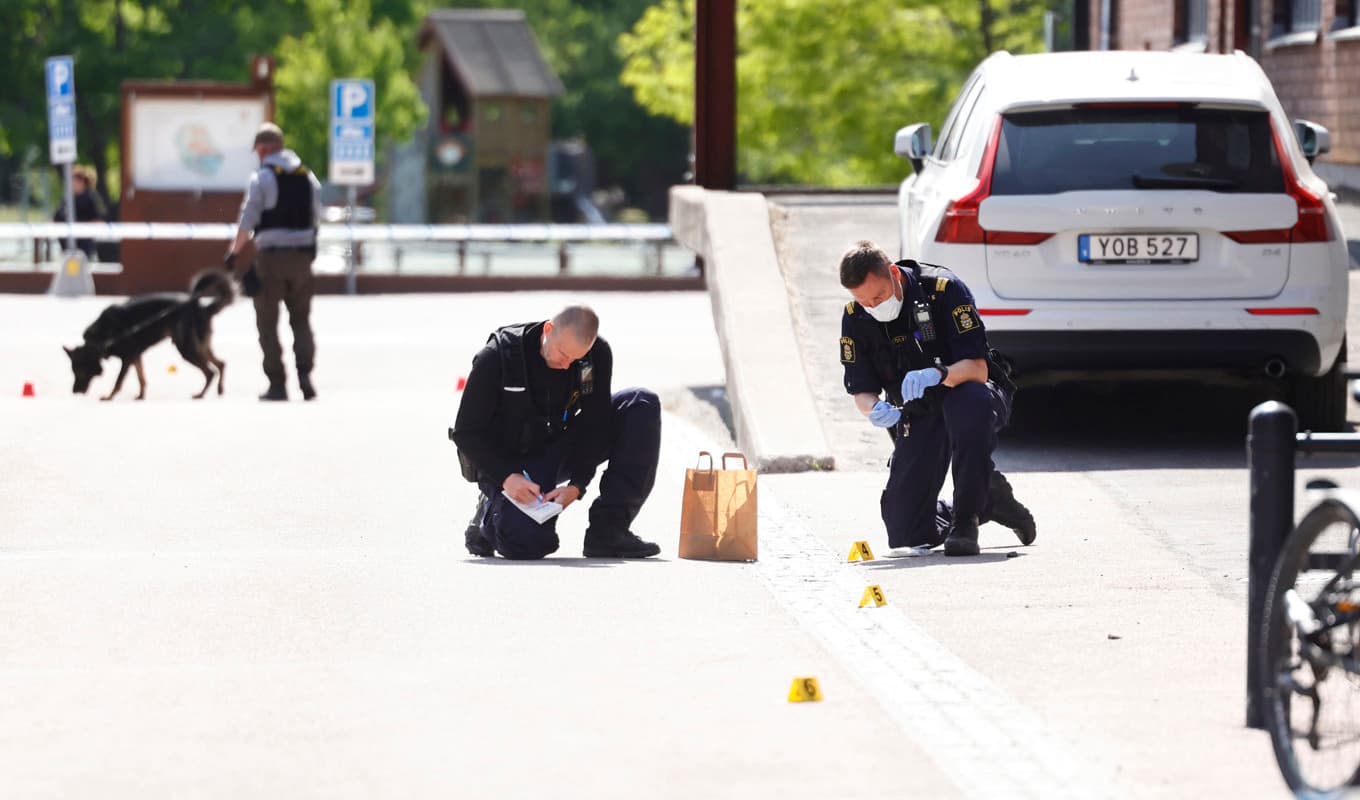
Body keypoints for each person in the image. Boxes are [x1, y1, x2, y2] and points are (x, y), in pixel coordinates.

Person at [838, 240, 1037, 557]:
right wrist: (873, 408)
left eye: (879, 296)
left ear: (893, 273)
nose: (874, 306)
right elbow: (861, 389)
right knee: (906, 531)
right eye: (865, 302)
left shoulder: (942, 290)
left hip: (969, 392)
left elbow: (978, 369)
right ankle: (989, 499)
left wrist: (938, 374)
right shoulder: (856, 317)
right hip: (919, 410)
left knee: (968, 403)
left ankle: (966, 522)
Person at [451, 305, 663, 560]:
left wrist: (577, 485)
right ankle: (488, 513)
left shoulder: (594, 355)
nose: (566, 365)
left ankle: (609, 531)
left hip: (559, 445)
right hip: (512, 463)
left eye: (575, 359)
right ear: (548, 329)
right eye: (563, 354)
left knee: (641, 404)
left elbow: (596, 422)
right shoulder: (499, 356)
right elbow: (466, 432)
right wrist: (505, 477)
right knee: (527, 545)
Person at [224, 122, 323, 402]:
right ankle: (305, 376)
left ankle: (277, 384)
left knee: (267, 323)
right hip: (303, 258)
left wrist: (234, 252)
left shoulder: (262, 178)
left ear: (265, 149)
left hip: (271, 259)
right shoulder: (308, 177)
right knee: (301, 320)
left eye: (258, 150)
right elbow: (317, 215)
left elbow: (248, 219)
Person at [53, 164, 107, 259]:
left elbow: (99, 221)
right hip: (67, 248)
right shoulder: (67, 199)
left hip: (84, 248)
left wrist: (80, 227)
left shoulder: (91, 198)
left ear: (81, 181)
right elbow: (57, 218)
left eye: (73, 180)